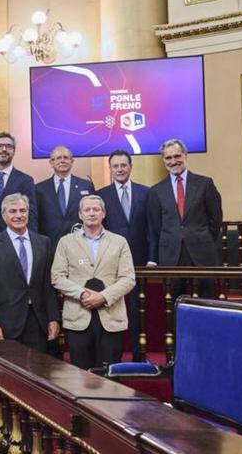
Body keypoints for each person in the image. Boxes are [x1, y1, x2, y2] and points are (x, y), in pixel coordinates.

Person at [52, 195, 135, 370]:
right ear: (80, 214)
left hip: (111, 316)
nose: (91, 213)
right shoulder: (66, 242)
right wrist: (83, 294)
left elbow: (128, 278)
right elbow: (57, 277)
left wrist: (103, 297)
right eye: (87, 210)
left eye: (96, 209)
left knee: (110, 374)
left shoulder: (119, 242)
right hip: (78, 315)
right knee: (80, 375)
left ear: (103, 213)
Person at [0, 194, 60, 353]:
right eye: (13, 211)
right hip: (5, 321)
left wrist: (53, 318)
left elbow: (48, 286)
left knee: (37, 371)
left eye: (23, 211)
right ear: (3, 216)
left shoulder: (44, 243)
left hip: (38, 321)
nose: (18, 215)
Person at [147, 138, 223, 298]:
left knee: (206, 301)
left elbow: (215, 220)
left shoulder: (205, 184)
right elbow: (155, 226)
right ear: (163, 160)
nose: (173, 161)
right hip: (171, 255)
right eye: (168, 158)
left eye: (177, 156)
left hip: (202, 253)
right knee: (174, 302)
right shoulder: (156, 191)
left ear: (185, 156)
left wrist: (201, 237)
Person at [96, 150, 151, 359]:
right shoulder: (101, 195)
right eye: (115, 166)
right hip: (110, 263)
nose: (120, 169)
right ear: (110, 169)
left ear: (130, 166)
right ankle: (112, 357)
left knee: (139, 312)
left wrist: (152, 258)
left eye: (123, 165)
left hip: (139, 261)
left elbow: (152, 229)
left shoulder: (146, 193)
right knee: (112, 310)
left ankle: (139, 355)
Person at [0, 132, 38, 233]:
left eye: (9, 146)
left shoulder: (25, 180)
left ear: (14, 151)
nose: (4, 149)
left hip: (12, 238)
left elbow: (31, 215)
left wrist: (32, 241)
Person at [36, 145, 94, 247]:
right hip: (49, 244)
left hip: (80, 244)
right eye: (58, 158)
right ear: (51, 163)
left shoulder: (86, 186)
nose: (62, 161)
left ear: (72, 161)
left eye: (66, 158)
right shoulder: (39, 189)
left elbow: (92, 215)